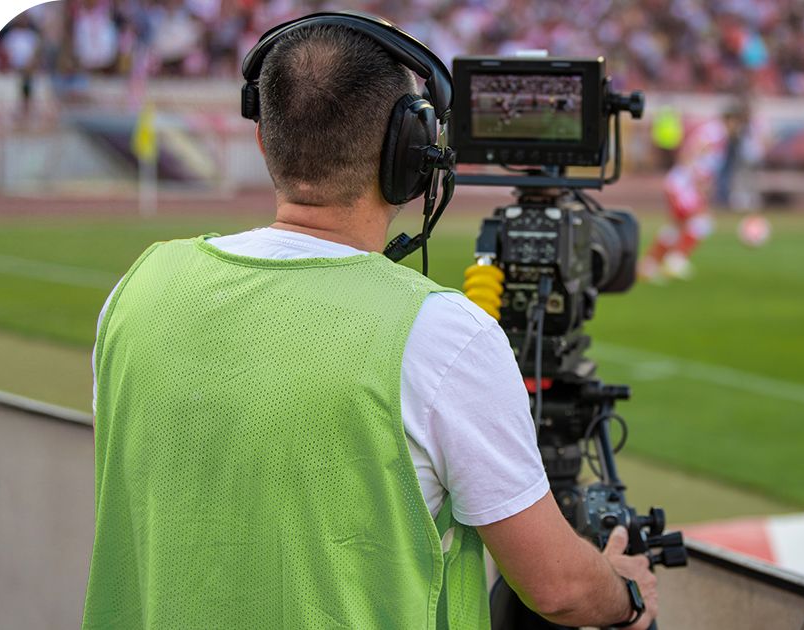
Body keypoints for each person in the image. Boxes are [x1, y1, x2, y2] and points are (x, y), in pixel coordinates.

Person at [82, 13, 658, 630]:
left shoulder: (136, 290)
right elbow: (562, 589)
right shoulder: (441, 338)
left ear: (262, 138)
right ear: (411, 152)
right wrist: (629, 598)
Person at [639, 105, 744, 282]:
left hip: (681, 184)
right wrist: (696, 180)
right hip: (683, 186)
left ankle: (649, 265)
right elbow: (691, 153)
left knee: (676, 227)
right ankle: (676, 260)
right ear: (731, 120)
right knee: (701, 222)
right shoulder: (715, 132)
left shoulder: (717, 134)